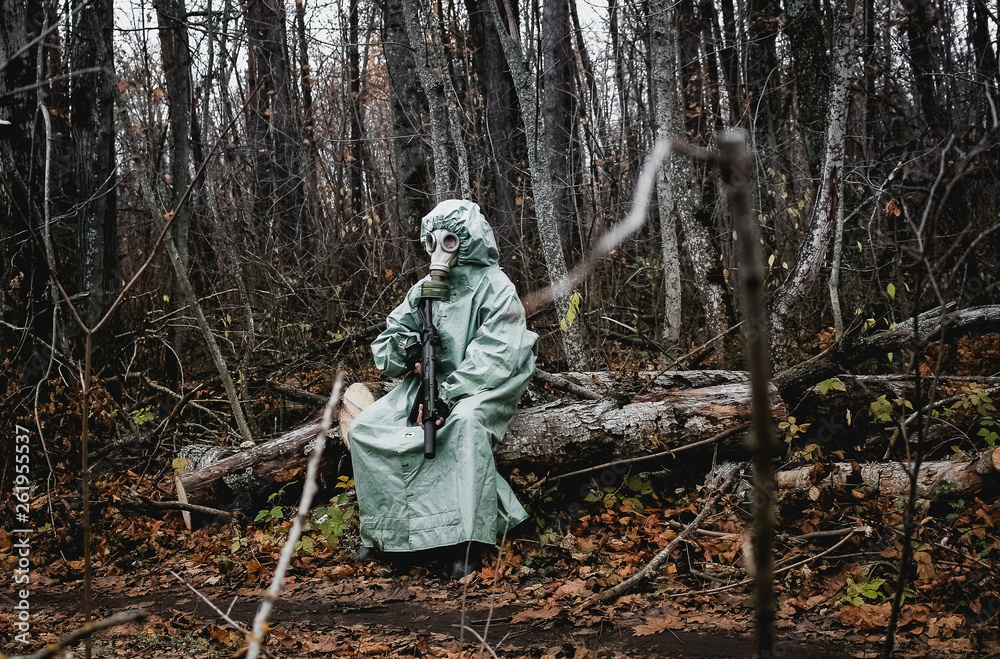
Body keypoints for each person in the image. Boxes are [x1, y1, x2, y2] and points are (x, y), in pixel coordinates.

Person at [348, 199, 537, 577]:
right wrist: (410, 349)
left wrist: (448, 396)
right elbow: (388, 344)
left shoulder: (496, 287)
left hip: (486, 384)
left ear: (469, 239)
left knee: (463, 425)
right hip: (426, 381)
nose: (440, 250)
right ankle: (389, 535)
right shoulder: (425, 289)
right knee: (365, 429)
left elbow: (496, 355)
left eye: (450, 240)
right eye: (432, 240)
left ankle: (470, 538)